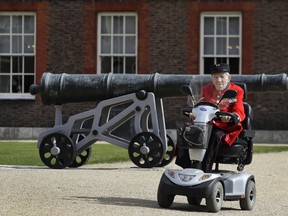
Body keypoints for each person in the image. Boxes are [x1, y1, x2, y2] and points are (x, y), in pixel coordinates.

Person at [175, 63, 246, 172]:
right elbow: (199, 105)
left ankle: (205, 169)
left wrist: (232, 117)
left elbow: (239, 110)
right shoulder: (206, 89)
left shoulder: (237, 90)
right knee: (187, 131)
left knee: (215, 135)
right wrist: (193, 113)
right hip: (206, 123)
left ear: (229, 77)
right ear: (212, 78)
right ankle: (187, 167)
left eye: (222, 76)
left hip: (226, 127)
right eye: (215, 76)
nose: (219, 80)